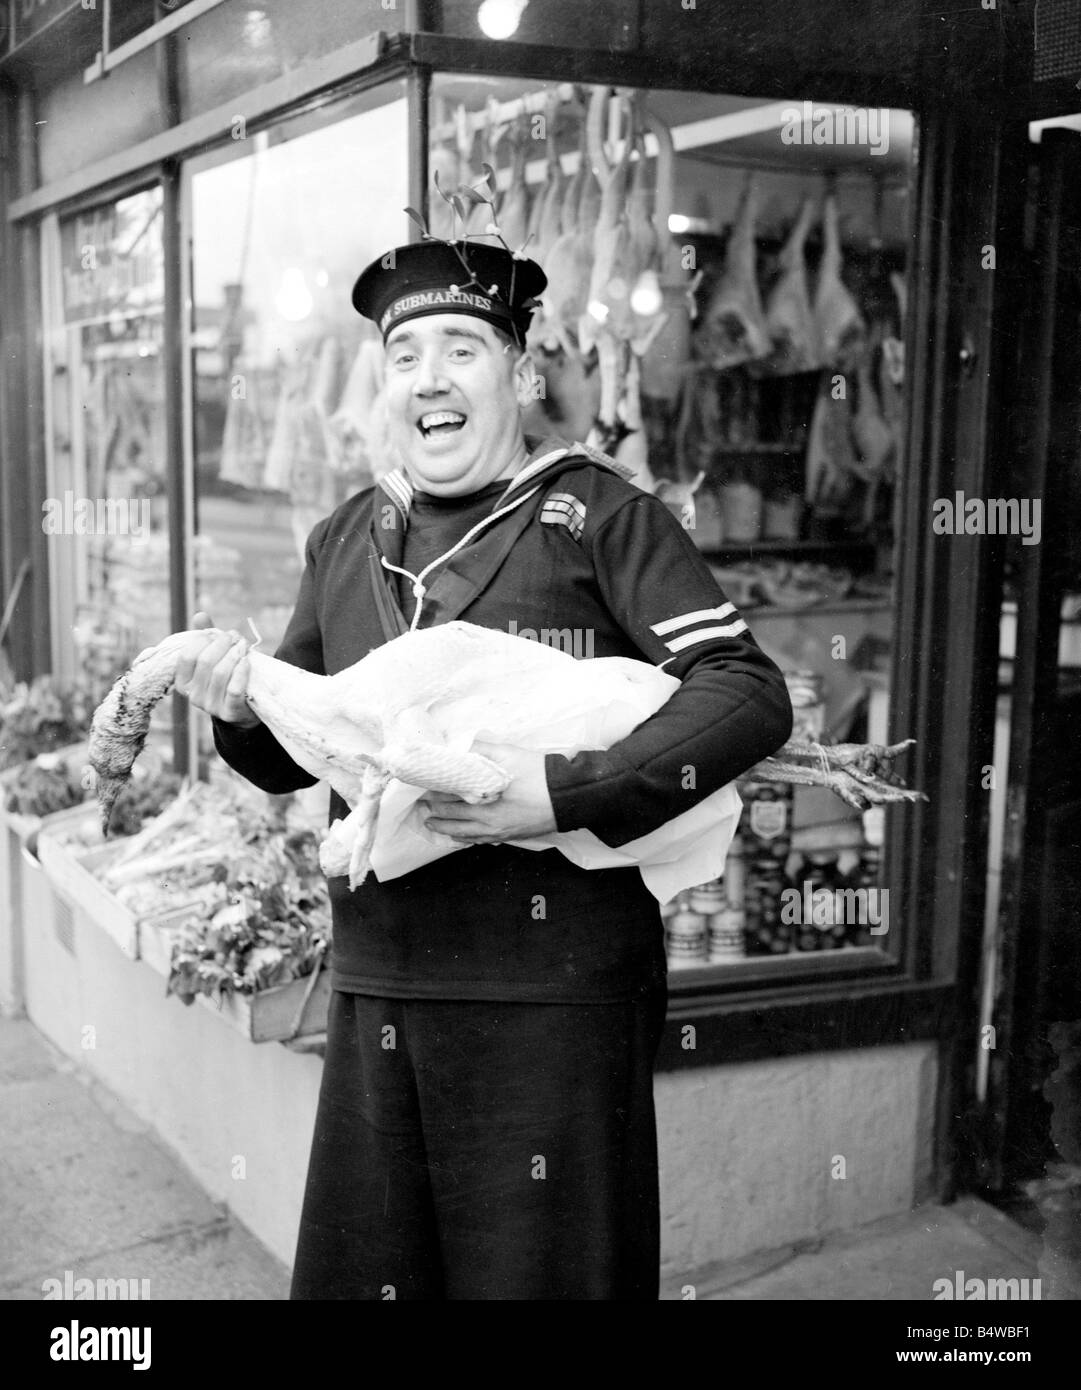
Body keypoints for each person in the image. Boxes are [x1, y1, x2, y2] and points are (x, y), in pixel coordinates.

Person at [175, 236, 792, 1300]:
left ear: (519, 375)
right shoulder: (344, 540)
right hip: (382, 985)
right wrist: (241, 711)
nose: (429, 376)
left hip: (554, 1001)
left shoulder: (600, 516)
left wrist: (559, 794)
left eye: (462, 346)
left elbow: (745, 689)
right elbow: (294, 754)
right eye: (404, 351)